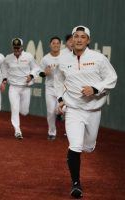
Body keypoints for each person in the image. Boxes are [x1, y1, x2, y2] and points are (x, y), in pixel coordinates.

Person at [55, 25, 117, 198]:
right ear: (72, 39)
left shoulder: (98, 58)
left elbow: (112, 78)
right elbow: (58, 81)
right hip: (73, 109)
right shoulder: (63, 59)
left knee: (88, 147)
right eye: (76, 36)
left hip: (93, 110)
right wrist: (60, 98)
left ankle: (89, 145)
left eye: (83, 37)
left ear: (88, 40)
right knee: (74, 146)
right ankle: (76, 184)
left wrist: (96, 89)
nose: (79, 39)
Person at [1, 38, 40, 139]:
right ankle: (17, 130)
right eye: (15, 47)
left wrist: (31, 76)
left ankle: (20, 122)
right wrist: (4, 79)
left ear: (22, 47)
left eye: (18, 47)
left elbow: (36, 68)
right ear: (12, 47)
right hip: (13, 87)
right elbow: (4, 68)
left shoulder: (29, 56)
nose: (17, 49)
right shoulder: (8, 58)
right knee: (15, 108)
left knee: (24, 111)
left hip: (25, 87)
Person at [39, 36, 61, 140]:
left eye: (57, 43)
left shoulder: (66, 56)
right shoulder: (45, 59)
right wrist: (44, 73)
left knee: (63, 109)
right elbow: (40, 72)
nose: (55, 45)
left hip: (62, 88)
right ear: (50, 45)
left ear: (60, 45)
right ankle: (52, 132)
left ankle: (60, 113)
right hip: (50, 88)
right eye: (53, 43)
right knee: (50, 111)